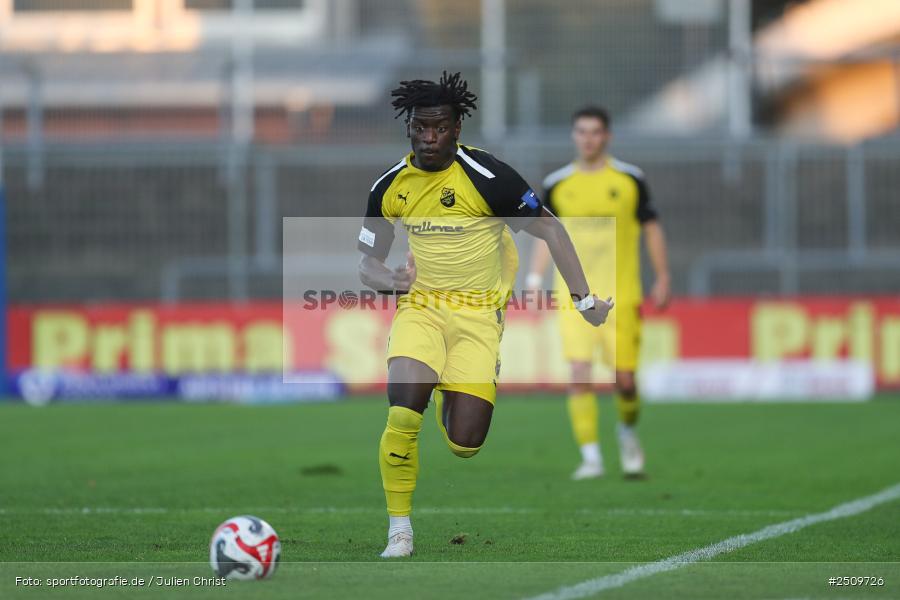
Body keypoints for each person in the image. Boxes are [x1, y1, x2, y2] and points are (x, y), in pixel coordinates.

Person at [357, 73, 614, 558]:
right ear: (408, 128)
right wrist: (391, 281)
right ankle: (399, 530)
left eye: (439, 128)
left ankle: (448, 392)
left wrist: (584, 302)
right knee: (401, 410)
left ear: (457, 128)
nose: (428, 138)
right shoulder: (390, 187)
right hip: (422, 309)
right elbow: (367, 262)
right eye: (419, 128)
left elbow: (552, 232)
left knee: (465, 444)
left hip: (478, 315)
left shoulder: (490, 178)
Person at [525, 105, 671, 480]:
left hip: (622, 295)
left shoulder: (629, 179)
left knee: (624, 380)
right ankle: (591, 457)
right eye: (581, 131)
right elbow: (547, 232)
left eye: (594, 132)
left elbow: (652, 228)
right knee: (578, 373)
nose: (587, 138)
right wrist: (534, 278)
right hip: (573, 297)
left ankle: (627, 431)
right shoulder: (558, 183)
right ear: (574, 135)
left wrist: (663, 276)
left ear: (607, 136)